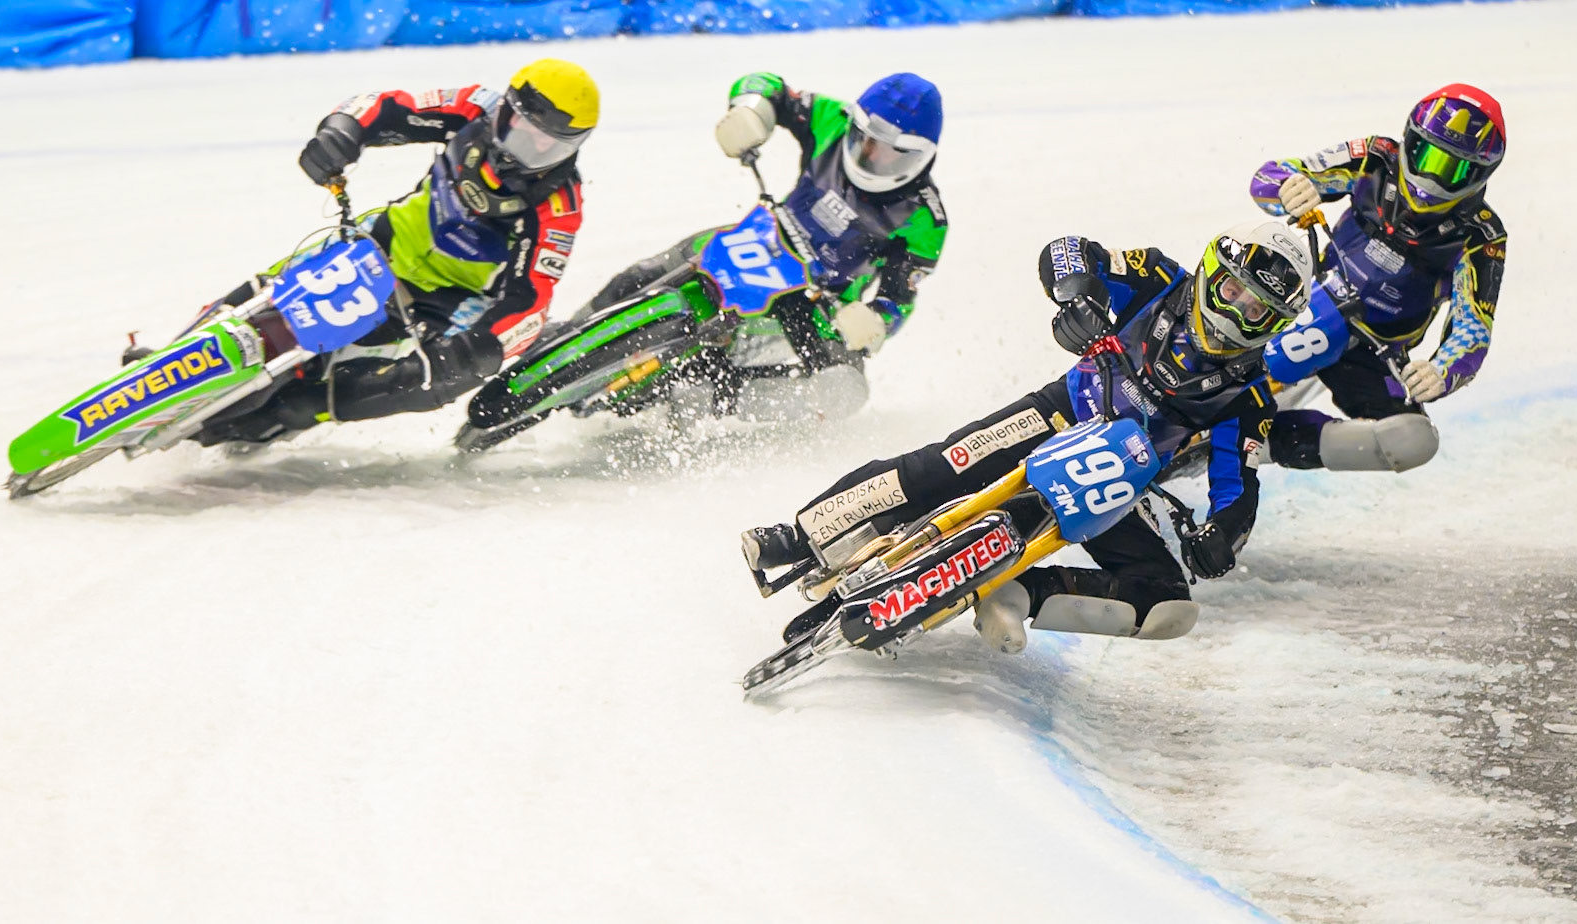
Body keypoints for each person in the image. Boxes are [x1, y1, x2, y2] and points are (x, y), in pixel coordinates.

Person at [742, 220, 1313, 653]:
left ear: (1277, 325)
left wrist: (1222, 539)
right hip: (1059, 414)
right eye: (1233, 291)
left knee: (1167, 603)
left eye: (1257, 311)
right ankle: (797, 536)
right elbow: (1066, 250)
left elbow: (1238, 480)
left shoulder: (1250, 393)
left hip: (1117, 485)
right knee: (940, 468)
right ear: (1212, 271)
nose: (1236, 312)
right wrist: (1079, 297)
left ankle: (1017, 593)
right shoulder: (1158, 277)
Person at [194, 58, 600, 444]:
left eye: (549, 146)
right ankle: (171, 354)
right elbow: (384, 108)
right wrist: (341, 133)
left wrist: (477, 350)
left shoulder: (559, 207)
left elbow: (530, 301)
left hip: (444, 306)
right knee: (262, 300)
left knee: (395, 387)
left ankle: (297, 413)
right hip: (379, 245)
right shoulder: (476, 108)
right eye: (520, 132)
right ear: (507, 110)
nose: (525, 152)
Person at [560, 71, 948, 420]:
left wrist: (877, 321)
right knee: (642, 275)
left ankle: (705, 398)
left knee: (840, 386)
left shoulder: (925, 220)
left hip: (817, 299)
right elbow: (768, 86)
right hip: (761, 236)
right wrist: (751, 110)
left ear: (921, 157)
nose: (872, 157)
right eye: (864, 141)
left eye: (892, 154)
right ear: (853, 123)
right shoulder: (831, 118)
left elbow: (900, 296)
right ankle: (566, 336)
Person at [1249, 84, 1508, 472]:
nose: (1432, 178)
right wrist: (1288, 189)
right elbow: (1271, 177)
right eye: (1427, 155)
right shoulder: (1375, 156)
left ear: (1480, 174)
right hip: (1306, 295)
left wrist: (1441, 371)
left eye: (1453, 168)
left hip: (1373, 349)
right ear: (1408, 140)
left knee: (1411, 440)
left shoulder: (1481, 236)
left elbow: (1473, 330)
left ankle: (1261, 446)